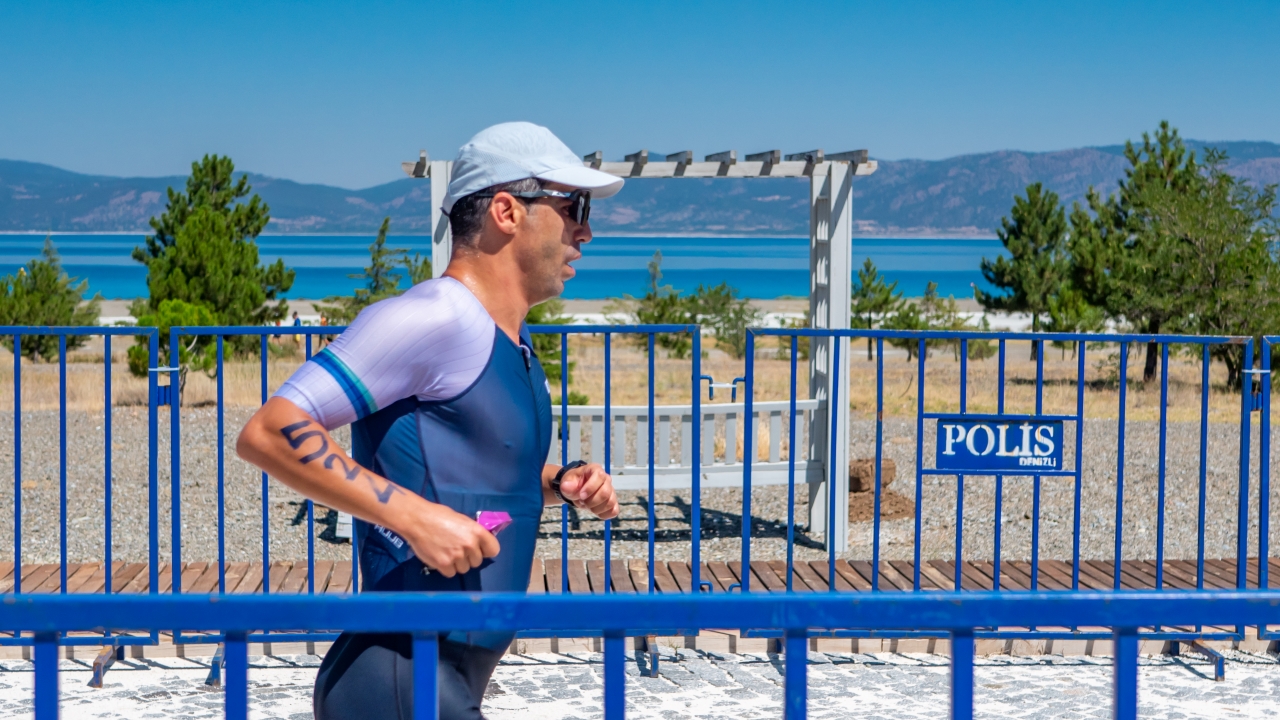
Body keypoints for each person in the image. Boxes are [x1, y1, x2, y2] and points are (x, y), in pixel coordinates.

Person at [235, 121, 624, 720]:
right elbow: (270, 430)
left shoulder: (512, 340)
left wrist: (557, 482)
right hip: (399, 670)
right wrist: (415, 519)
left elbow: (467, 469)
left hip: (450, 670)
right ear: (506, 211)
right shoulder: (434, 316)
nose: (585, 230)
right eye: (574, 207)